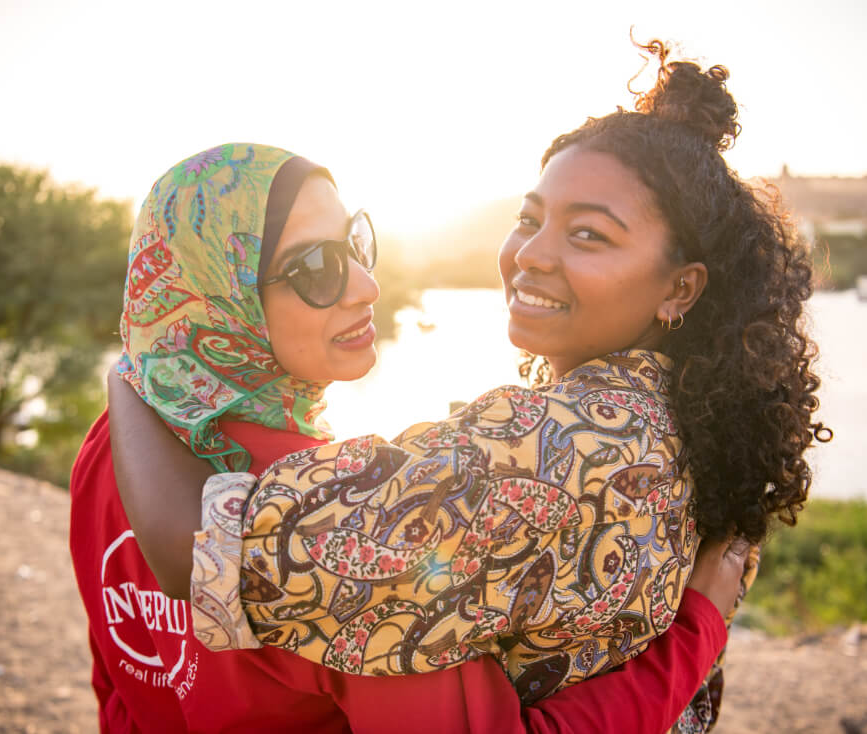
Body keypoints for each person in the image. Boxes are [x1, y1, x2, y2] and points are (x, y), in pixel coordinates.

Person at [110, 39, 829, 731]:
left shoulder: (563, 446)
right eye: (529, 219)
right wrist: (695, 637)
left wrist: (127, 377)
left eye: (589, 236)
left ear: (680, 288)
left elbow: (199, 549)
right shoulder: (685, 421)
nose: (530, 256)